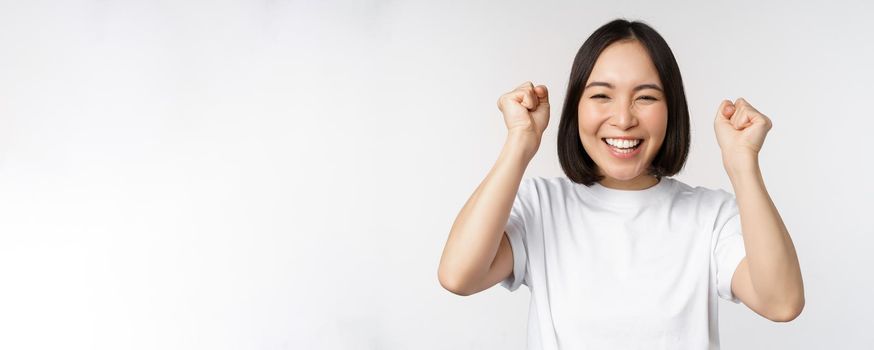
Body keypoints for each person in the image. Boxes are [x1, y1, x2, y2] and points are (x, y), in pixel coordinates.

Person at [437, 18, 805, 349]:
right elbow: (459, 275)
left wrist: (743, 165)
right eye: (601, 95)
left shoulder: (711, 216)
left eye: (645, 97)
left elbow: (782, 303)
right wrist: (520, 140)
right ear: (575, 107)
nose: (624, 118)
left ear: (671, 109)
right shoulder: (542, 206)